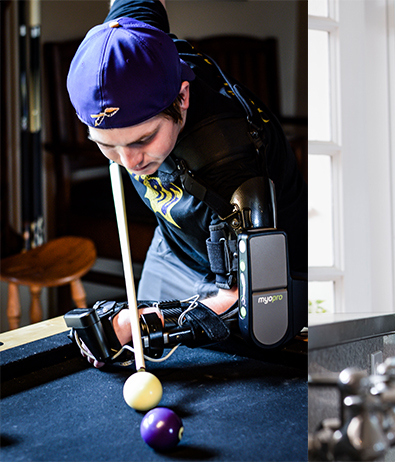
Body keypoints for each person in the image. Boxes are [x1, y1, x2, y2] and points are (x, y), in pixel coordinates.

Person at [64, 0, 305, 367]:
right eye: (106, 145)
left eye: (142, 140)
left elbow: (251, 298)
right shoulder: (128, 47)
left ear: (182, 97)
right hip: (174, 247)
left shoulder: (230, 163)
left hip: (258, 279)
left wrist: (146, 322)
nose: (130, 162)